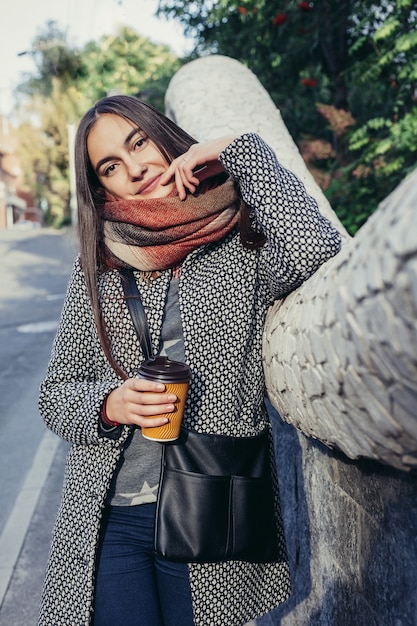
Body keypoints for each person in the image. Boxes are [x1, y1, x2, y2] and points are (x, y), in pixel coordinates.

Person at [38, 94, 342, 626]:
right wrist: (111, 404)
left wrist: (239, 150)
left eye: (139, 143)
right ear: (100, 187)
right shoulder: (102, 267)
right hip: (111, 517)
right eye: (111, 166)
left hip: (212, 510)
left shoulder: (241, 236)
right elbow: (54, 395)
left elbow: (317, 252)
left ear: (163, 136)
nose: (135, 169)